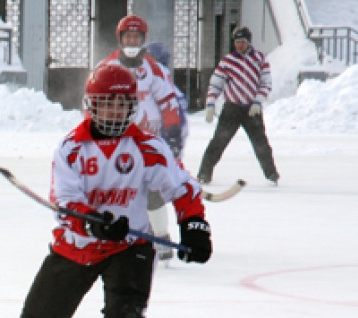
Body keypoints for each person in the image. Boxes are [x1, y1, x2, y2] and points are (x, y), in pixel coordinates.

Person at [0, 64, 212, 318]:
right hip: (76, 245)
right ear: (91, 105)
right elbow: (67, 204)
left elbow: (182, 186)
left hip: (129, 248)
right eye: (106, 104)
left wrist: (194, 225)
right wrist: (96, 225)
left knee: (127, 316)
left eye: (121, 105)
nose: (114, 112)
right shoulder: (71, 149)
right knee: (41, 314)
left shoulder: (148, 146)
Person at [95, 15, 186, 262]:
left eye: (136, 36)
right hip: (116, 141)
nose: (132, 40)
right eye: (128, 36)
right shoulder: (107, 67)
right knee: (114, 190)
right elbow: (92, 101)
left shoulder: (154, 69)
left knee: (153, 189)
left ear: (143, 39)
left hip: (147, 140)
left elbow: (168, 103)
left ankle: (161, 237)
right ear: (120, 38)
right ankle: (113, 237)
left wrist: (174, 134)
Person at [198, 27, 280, 185]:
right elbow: (216, 83)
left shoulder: (259, 59)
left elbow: (266, 83)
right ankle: (204, 174)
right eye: (237, 42)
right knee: (218, 142)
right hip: (232, 108)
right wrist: (210, 104)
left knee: (261, 143)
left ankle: (272, 175)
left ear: (249, 42)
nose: (240, 45)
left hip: (251, 110)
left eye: (243, 42)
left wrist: (258, 101)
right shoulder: (227, 61)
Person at [144, 41, 191, 263]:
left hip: (158, 150)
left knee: (153, 195)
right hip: (148, 148)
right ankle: (156, 237)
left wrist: (173, 148)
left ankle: (160, 238)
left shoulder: (165, 87)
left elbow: (177, 122)